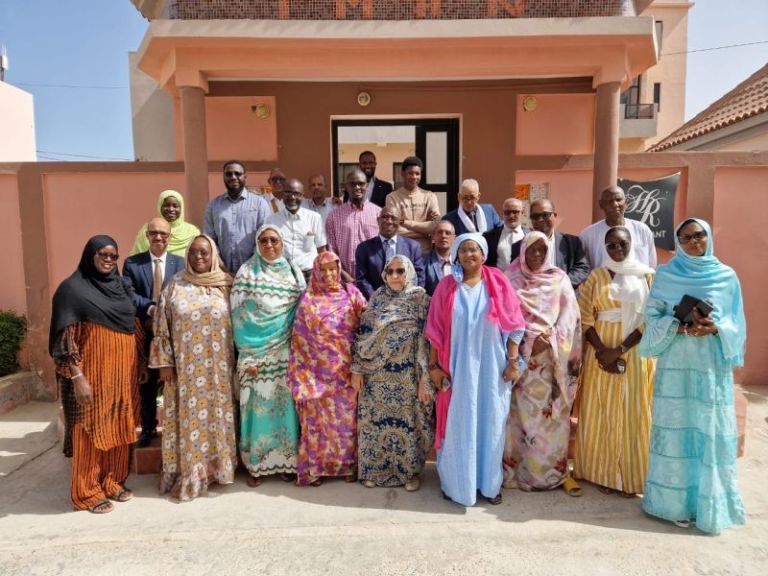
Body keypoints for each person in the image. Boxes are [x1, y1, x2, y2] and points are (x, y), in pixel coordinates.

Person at [639, 218, 746, 534]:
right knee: (676, 431)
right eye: (685, 238)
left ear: (708, 236)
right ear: (678, 242)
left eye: (698, 235)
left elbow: (736, 322)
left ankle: (708, 505)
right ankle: (672, 505)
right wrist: (680, 325)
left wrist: (715, 327)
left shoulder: (726, 276)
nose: (694, 242)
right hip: (675, 363)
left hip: (710, 365)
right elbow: (652, 315)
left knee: (707, 429)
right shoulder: (666, 274)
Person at [425, 233, 525, 506]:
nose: (469, 255)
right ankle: (456, 486)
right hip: (456, 368)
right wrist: (434, 367)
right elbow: (434, 331)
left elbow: (514, 325)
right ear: (456, 255)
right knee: (458, 423)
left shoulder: (497, 281)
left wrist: (513, 361)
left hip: (492, 368)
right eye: (463, 250)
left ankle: (490, 485)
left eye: (474, 250)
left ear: (483, 254)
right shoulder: (446, 286)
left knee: (491, 423)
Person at [49, 235, 139, 514]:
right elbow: (65, 340)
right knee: (89, 429)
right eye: (103, 254)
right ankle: (87, 492)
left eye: (113, 256)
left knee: (118, 425)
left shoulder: (120, 287)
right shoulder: (72, 290)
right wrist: (78, 378)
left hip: (122, 374)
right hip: (93, 375)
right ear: (90, 255)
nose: (109, 260)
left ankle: (112, 481)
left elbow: (132, 324)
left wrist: (141, 364)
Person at [149, 235, 237, 501]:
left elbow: (242, 321)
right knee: (190, 421)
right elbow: (161, 326)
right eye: (194, 253)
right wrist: (165, 363)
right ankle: (192, 471)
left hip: (219, 371)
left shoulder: (226, 285)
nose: (199, 257)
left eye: (204, 253)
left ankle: (217, 470)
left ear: (213, 256)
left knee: (217, 418)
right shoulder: (175, 285)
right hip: (185, 371)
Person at [573, 226, 655, 497]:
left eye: (622, 244)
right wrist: (602, 351)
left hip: (635, 351)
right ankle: (603, 474)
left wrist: (619, 349)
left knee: (633, 413)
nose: (617, 249)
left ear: (632, 244)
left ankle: (630, 477)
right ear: (604, 248)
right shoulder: (597, 276)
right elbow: (585, 316)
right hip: (600, 352)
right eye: (611, 245)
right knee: (600, 411)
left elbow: (652, 317)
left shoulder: (646, 276)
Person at [503, 231, 583, 496]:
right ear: (522, 251)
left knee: (550, 421)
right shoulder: (509, 278)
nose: (537, 254)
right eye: (532, 249)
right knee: (517, 419)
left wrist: (549, 339)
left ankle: (549, 474)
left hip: (551, 363)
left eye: (542, 249)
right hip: (519, 364)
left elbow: (571, 317)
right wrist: (527, 340)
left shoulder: (559, 278)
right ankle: (517, 473)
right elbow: (503, 316)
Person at [231, 225, 306, 486]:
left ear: (282, 243)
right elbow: (238, 314)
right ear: (257, 243)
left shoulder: (293, 271)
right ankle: (256, 465)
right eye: (264, 240)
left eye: (274, 240)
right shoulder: (246, 272)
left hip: (284, 351)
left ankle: (287, 462)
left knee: (284, 409)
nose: (269, 245)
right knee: (255, 409)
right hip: (253, 354)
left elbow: (302, 310)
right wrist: (248, 354)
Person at [351, 255, 434, 491]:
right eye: (391, 272)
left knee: (409, 423)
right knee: (374, 424)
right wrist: (357, 370)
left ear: (409, 272)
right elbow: (364, 335)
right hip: (376, 377)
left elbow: (427, 340)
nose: (395, 276)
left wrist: (424, 379)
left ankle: (409, 474)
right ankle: (374, 472)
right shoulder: (377, 298)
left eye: (400, 271)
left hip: (408, 376)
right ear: (384, 275)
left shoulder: (420, 298)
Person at [287, 252, 367, 486]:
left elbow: (367, 325)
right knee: (317, 425)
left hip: (345, 373)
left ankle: (348, 467)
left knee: (346, 423)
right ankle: (315, 469)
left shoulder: (351, 294)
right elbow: (299, 338)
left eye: (333, 269)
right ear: (316, 272)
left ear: (339, 270)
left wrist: (361, 366)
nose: (329, 274)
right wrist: (301, 375)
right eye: (323, 270)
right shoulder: (308, 300)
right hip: (315, 375)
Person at [122, 217, 185, 447]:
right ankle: (148, 428)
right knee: (146, 382)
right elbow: (129, 293)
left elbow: (183, 293)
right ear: (147, 236)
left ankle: (177, 428)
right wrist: (150, 309)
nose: (159, 237)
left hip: (173, 334)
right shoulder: (132, 263)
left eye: (163, 234)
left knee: (173, 380)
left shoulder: (181, 263)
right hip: (145, 331)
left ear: (170, 237)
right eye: (154, 233)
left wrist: (165, 316)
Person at [203, 160, 271, 274]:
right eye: (228, 174)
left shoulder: (260, 204)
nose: (233, 177)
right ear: (223, 177)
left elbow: (264, 237)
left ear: (245, 177)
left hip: (254, 271)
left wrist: (248, 267)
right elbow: (209, 239)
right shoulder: (213, 205)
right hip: (221, 272)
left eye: (237, 174)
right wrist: (222, 267)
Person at [510, 199, 590, 290]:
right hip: (532, 295)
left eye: (545, 215)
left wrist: (560, 284)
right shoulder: (520, 246)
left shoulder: (572, 243)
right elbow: (515, 274)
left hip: (563, 294)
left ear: (555, 216)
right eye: (535, 216)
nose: (540, 220)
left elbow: (583, 268)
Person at [355, 205, 425, 299]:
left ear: (399, 222)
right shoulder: (364, 248)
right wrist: (377, 300)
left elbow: (419, 276)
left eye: (393, 218)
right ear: (378, 220)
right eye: (385, 217)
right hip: (376, 303)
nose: (389, 221)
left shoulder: (413, 247)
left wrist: (409, 300)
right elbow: (362, 279)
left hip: (406, 302)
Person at [579, 186, 657, 269]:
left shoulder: (642, 230)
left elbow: (652, 265)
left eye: (618, 199)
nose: (615, 204)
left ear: (626, 202)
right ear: (601, 204)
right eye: (609, 201)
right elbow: (584, 269)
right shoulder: (588, 235)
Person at [325, 169, 381, 282]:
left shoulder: (378, 213)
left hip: (373, 279)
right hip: (344, 279)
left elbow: (383, 247)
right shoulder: (334, 215)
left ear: (367, 186)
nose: (357, 187)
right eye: (352, 184)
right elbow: (331, 250)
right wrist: (344, 275)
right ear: (346, 187)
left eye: (361, 184)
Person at [267, 178, 327, 280]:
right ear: (282, 195)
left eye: (296, 193)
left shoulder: (314, 218)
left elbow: (321, 249)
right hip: (282, 276)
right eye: (288, 193)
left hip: (310, 276)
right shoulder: (271, 220)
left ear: (303, 196)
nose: (292, 197)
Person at [385, 156, 441, 253]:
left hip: (425, 252)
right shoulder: (392, 197)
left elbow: (435, 226)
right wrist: (425, 232)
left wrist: (405, 222)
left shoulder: (430, 196)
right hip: (401, 252)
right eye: (410, 173)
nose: (414, 177)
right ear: (403, 174)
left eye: (417, 174)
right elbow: (393, 228)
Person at [130, 189, 201, 257]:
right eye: (166, 205)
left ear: (181, 208)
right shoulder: (148, 229)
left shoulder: (192, 232)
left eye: (175, 206)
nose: (171, 209)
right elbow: (135, 258)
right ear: (159, 207)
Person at [484, 197, 526, 269]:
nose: (511, 216)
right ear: (502, 214)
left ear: (522, 213)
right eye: (507, 212)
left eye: (515, 212)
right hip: (497, 276)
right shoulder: (489, 236)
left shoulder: (530, 235)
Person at [424, 220, 456, 296]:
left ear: (454, 238)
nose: (443, 236)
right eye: (439, 232)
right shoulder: (423, 261)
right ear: (433, 236)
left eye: (447, 233)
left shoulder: (461, 261)